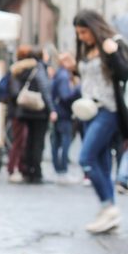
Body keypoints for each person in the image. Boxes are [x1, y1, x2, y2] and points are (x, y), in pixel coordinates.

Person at [64, 9, 128, 233]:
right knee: (102, 163)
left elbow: (124, 75)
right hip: (87, 111)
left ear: (94, 27)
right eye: (78, 33)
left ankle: (109, 208)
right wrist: (73, 68)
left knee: (86, 157)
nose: (82, 37)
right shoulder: (87, 49)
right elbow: (90, 80)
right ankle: (109, 210)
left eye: (84, 32)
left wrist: (113, 54)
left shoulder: (113, 44)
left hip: (108, 110)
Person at [9, 46, 57, 184]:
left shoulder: (20, 68)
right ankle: (36, 171)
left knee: (28, 141)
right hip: (38, 110)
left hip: (24, 110)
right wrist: (51, 109)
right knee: (37, 142)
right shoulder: (39, 68)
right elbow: (44, 89)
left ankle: (27, 170)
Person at [51, 52, 82, 183]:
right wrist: (77, 90)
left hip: (58, 113)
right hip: (64, 114)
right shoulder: (64, 76)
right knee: (65, 143)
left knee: (57, 143)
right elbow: (65, 96)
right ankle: (62, 171)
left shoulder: (58, 74)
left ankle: (59, 171)